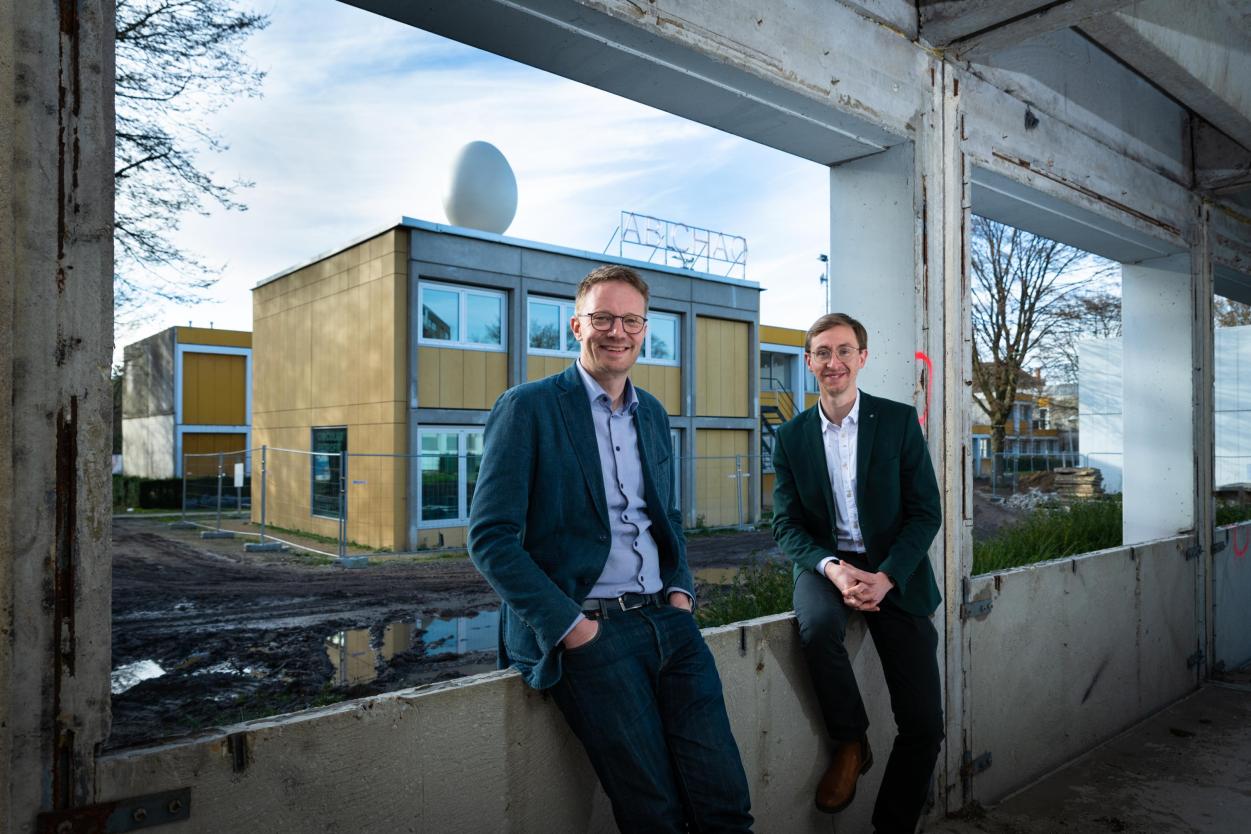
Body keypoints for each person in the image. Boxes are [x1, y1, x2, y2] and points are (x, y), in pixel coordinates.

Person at [468, 264, 753, 834]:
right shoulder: (528, 408)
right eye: (602, 318)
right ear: (576, 325)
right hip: (593, 636)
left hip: (670, 626)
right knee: (655, 815)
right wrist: (573, 629)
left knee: (725, 803)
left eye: (630, 320)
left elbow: (663, 518)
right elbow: (491, 539)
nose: (616, 331)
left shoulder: (652, 413)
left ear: (644, 330)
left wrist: (680, 593)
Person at [771, 312, 943, 834]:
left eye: (844, 350)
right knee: (819, 626)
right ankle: (851, 740)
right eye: (822, 352)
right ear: (808, 362)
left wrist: (888, 576)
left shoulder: (896, 422)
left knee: (924, 725)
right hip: (828, 563)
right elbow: (785, 523)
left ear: (862, 358)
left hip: (895, 569)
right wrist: (831, 569)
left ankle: (891, 826)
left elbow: (925, 512)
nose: (834, 361)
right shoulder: (792, 437)